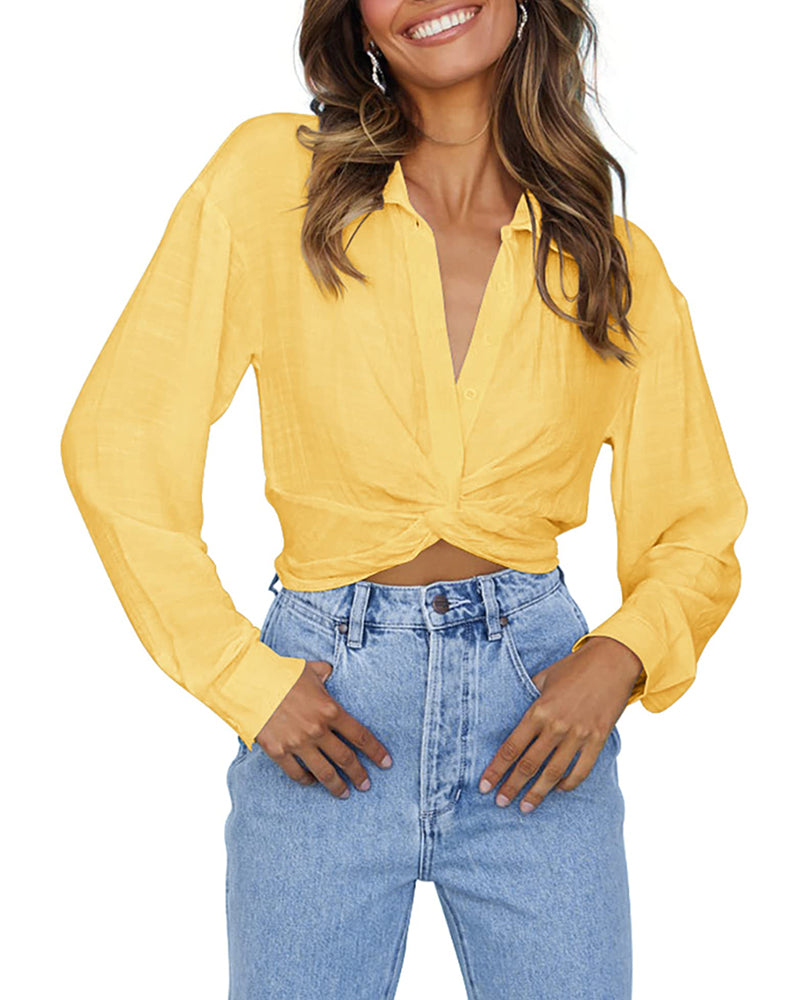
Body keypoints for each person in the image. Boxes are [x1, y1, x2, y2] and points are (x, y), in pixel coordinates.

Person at [60, 1, 748, 997]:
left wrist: (619, 656)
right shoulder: (273, 182)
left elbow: (697, 526)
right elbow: (116, 441)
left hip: (536, 716)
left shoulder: (610, 261)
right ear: (357, 22)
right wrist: (241, 679)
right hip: (327, 705)